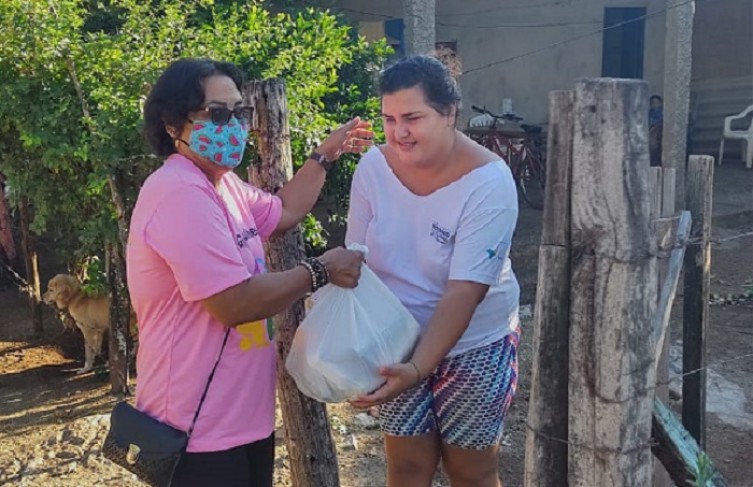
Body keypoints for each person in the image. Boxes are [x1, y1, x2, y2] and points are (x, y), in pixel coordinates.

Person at [127, 58, 372, 487]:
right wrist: (321, 270)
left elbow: (287, 210)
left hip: (241, 418)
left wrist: (325, 154)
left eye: (240, 112)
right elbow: (234, 302)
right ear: (171, 124)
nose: (234, 125)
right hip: (193, 428)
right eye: (217, 114)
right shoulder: (179, 193)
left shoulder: (225, 186)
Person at [347, 55, 521, 487]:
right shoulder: (372, 167)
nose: (398, 132)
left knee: (472, 472)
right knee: (406, 469)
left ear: (449, 113)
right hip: (395, 339)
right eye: (389, 119)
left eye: (412, 117)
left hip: (475, 343)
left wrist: (420, 368)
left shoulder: (489, 183)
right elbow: (358, 259)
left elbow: (465, 291)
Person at [649, 94, 663, 167]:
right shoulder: (648, 114)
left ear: (660, 104)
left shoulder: (663, 114)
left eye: (657, 103)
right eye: (653, 103)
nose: (655, 105)